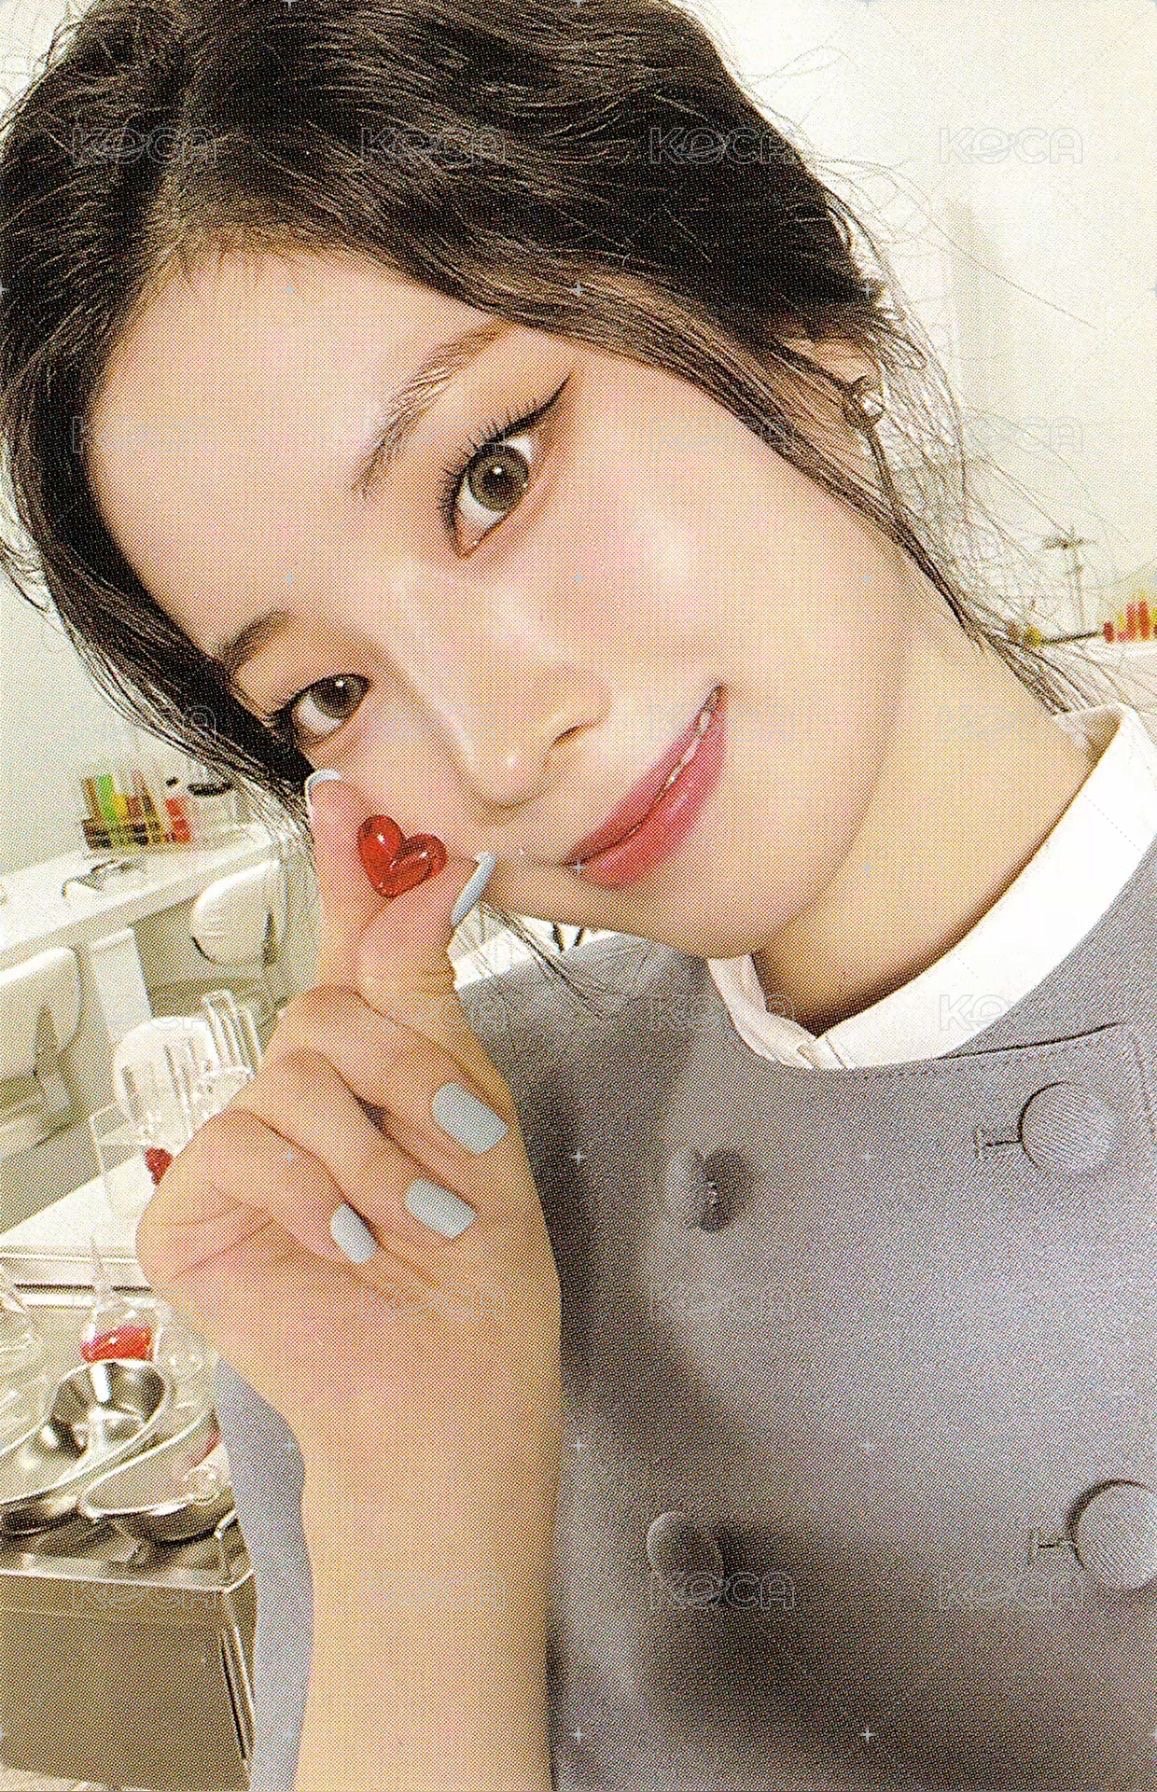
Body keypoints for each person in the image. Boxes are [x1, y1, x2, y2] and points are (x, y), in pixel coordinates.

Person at [0, 1, 1153, 1787]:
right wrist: (416, 1486)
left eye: (493, 478)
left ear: (796, 312)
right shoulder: (428, 1206)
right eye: (329, 690)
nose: (491, 743)